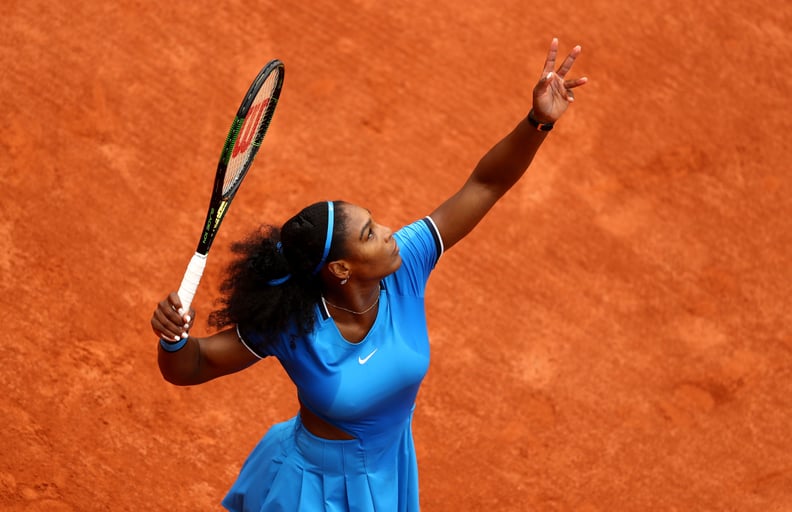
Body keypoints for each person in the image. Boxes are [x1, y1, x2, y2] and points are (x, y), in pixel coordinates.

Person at [151, 38, 587, 512]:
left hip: (389, 466)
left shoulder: (407, 264)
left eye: (375, 222)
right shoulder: (293, 323)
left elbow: (486, 184)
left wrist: (538, 121)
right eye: (369, 234)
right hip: (311, 490)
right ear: (341, 269)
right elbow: (191, 367)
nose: (387, 233)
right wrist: (173, 340)